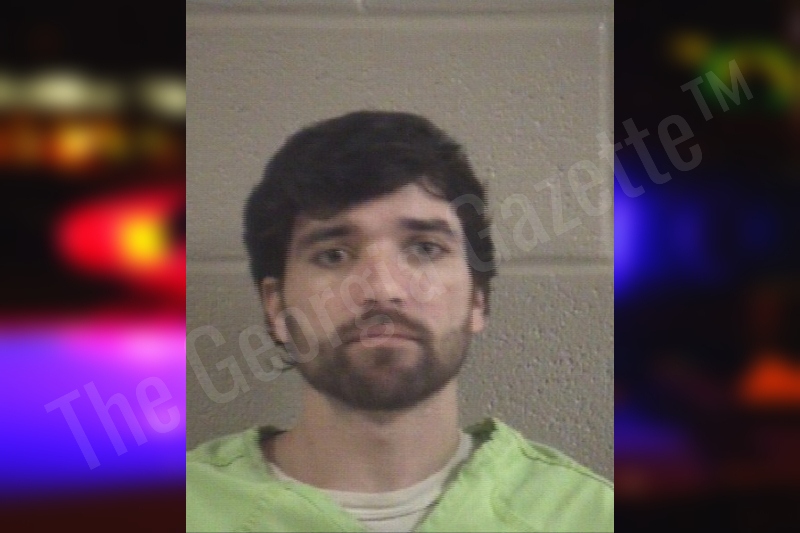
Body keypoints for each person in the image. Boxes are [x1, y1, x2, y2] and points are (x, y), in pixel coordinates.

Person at [186, 111, 614, 532]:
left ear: (477, 300)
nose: (382, 289)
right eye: (333, 255)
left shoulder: (589, 516)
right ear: (277, 308)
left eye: (425, 249)